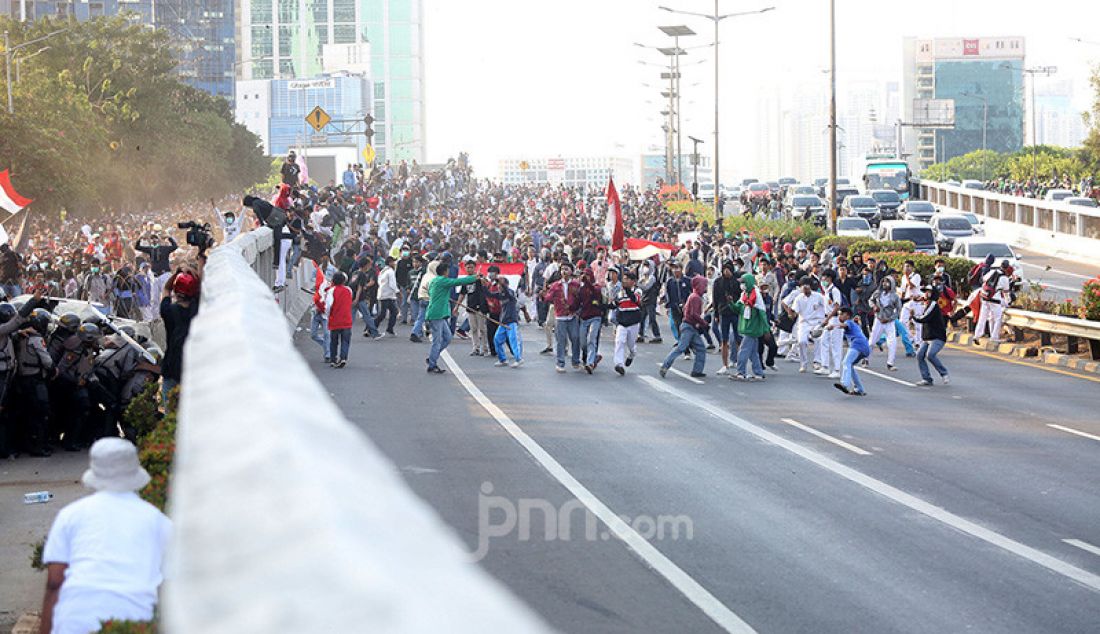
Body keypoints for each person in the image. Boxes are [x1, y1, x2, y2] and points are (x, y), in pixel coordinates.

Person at [39, 438, 171, 634]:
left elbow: (55, 582)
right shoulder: (160, 522)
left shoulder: (71, 515)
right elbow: (170, 587)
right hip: (134, 622)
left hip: (75, 621)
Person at [425, 260, 476, 374]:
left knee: (447, 337)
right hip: (436, 314)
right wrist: (474, 278)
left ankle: (432, 357)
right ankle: (432, 364)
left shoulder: (435, 281)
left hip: (440, 314)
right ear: (445, 272)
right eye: (448, 270)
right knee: (437, 341)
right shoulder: (442, 281)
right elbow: (458, 281)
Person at [159, 269, 201, 399]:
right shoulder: (200, 311)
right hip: (193, 371)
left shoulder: (168, 311)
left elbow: (166, 289)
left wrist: (176, 274)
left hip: (171, 370)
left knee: (171, 414)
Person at [659, 275, 708, 378]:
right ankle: (665, 366)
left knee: (700, 348)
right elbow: (694, 313)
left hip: (690, 326)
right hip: (689, 326)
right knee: (681, 347)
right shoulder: (695, 298)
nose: (705, 288)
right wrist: (703, 323)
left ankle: (697, 370)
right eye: (704, 285)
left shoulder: (693, 296)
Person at [542, 261, 582, 373]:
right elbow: (548, 298)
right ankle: (560, 362)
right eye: (562, 269)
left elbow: (580, 299)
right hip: (560, 316)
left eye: (566, 269)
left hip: (572, 316)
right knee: (561, 340)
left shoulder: (576, 285)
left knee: (575, 338)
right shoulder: (555, 285)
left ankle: (575, 361)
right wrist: (544, 295)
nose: (564, 271)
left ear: (571, 271)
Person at [783, 276, 826, 374]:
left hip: (817, 322)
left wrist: (825, 320)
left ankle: (817, 361)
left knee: (818, 340)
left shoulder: (818, 296)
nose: (805, 287)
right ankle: (803, 363)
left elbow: (826, 307)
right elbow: (794, 313)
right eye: (803, 286)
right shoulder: (798, 298)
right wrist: (790, 313)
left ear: (810, 286)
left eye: (807, 285)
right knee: (802, 341)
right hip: (804, 323)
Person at [731, 273, 768, 381]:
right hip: (746, 327)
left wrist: (766, 330)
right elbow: (737, 308)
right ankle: (758, 373)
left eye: (743, 282)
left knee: (743, 350)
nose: (742, 285)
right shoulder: (744, 295)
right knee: (753, 353)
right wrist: (730, 303)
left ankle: (740, 372)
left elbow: (762, 313)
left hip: (752, 329)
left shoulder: (756, 297)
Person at [914, 286, 950, 386]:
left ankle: (944, 373)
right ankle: (926, 378)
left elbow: (924, 318)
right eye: (925, 292)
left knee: (930, 355)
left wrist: (914, 317)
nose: (925, 294)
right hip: (927, 338)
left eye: (928, 292)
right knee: (920, 355)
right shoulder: (926, 305)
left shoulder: (933, 305)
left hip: (937, 337)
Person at [485, 276, 523, 368]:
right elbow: (489, 294)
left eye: (500, 285)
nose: (498, 286)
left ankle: (518, 359)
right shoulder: (500, 294)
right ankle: (503, 359)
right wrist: (483, 285)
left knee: (514, 340)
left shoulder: (511, 293)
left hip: (511, 321)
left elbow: (506, 291)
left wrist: (499, 281)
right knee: (497, 339)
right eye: (498, 285)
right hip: (503, 322)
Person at [831, 306, 870, 396]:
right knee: (850, 365)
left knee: (846, 362)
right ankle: (859, 389)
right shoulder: (854, 323)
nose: (839, 316)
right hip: (865, 347)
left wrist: (833, 326)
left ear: (848, 315)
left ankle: (845, 384)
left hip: (857, 344)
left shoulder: (848, 322)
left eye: (841, 314)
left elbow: (844, 325)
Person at [611, 271, 643, 375]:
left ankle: (632, 354)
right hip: (622, 323)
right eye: (624, 279)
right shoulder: (620, 293)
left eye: (627, 279)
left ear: (633, 281)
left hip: (633, 323)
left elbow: (635, 300)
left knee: (631, 344)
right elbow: (615, 304)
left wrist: (627, 290)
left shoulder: (637, 291)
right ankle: (619, 364)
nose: (624, 281)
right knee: (619, 341)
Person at [973, 259, 1010, 345]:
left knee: (983, 318)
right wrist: (1008, 302)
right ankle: (994, 337)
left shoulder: (992, 272)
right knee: (998, 318)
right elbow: (1006, 292)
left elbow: (983, 279)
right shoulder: (1004, 278)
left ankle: (977, 335)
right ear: (1007, 268)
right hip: (995, 299)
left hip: (985, 297)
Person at [868, 276, 901, 370]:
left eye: (887, 282)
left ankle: (890, 363)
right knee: (872, 341)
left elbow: (898, 310)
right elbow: (870, 300)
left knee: (892, 342)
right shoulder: (878, 293)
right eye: (884, 282)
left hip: (889, 321)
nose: (885, 284)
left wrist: (890, 318)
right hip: (878, 319)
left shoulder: (895, 296)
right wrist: (874, 306)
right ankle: (866, 358)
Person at [325, 271, 354, 368]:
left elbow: (328, 306)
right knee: (345, 341)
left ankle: (333, 359)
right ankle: (343, 358)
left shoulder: (331, 291)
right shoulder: (348, 290)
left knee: (334, 341)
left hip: (335, 320)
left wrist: (328, 315)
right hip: (347, 319)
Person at [376, 256, 400, 335]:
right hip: (387, 295)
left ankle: (390, 328)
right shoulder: (390, 271)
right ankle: (371, 328)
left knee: (393, 311)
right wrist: (397, 292)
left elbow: (379, 281)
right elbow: (392, 284)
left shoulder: (383, 271)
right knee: (383, 314)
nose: (394, 263)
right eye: (393, 262)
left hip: (384, 294)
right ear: (390, 263)